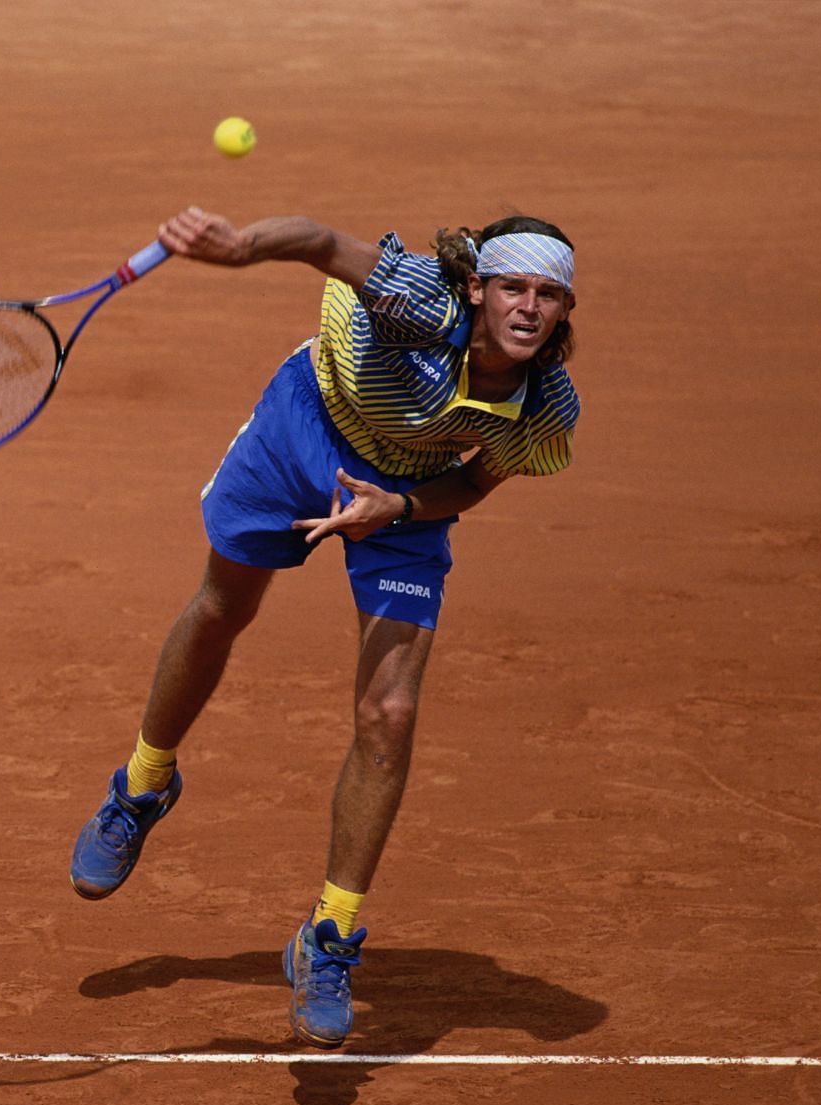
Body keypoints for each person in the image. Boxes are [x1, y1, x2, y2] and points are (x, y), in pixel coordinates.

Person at [68, 206, 581, 1049]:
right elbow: (315, 241)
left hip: (406, 492)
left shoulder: (546, 407)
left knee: (391, 711)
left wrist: (404, 507)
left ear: (565, 309)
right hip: (307, 422)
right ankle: (144, 784)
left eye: (550, 295)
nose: (529, 307)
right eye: (514, 288)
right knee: (223, 610)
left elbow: (478, 483)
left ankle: (329, 935)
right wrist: (239, 248)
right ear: (478, 288)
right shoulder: (419, 301)